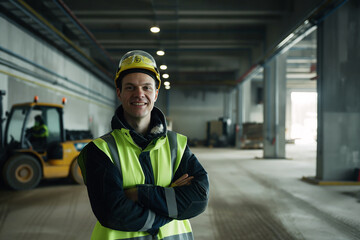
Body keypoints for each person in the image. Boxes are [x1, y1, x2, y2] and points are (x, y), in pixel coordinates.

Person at [78, 50, 209, 240]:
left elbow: (197, 199)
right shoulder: (100, 150)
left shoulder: (176, 145)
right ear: (119, 93)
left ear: (155, 94)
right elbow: (113, 213)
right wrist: (169, 206)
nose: (139, 94)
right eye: (130, 87)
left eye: (146, 88)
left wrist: (140, 194)